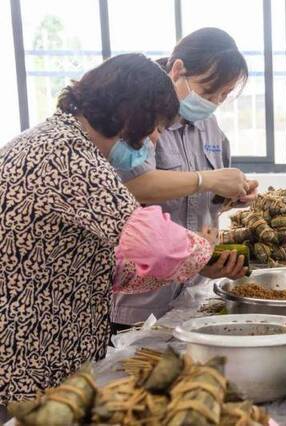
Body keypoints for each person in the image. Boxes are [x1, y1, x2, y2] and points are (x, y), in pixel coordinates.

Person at [0, 54, 222, 409]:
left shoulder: (54, 139)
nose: (153, 139)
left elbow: (98, 259)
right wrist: (203, 249)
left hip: (42, 342)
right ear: (129, 112)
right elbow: (157, 247)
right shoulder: (69, 155)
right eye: (156, 126)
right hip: (29, 354)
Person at [111, 28, 257, 328]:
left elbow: (204, 198)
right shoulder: (141, 119)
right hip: (142, 297)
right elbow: (133, 186)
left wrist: (231, 195)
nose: (214, 102)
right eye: (207, 92)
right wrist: (207, 179)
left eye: (223, 95)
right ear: (177, 70)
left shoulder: (209, 126)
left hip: (193, 290)